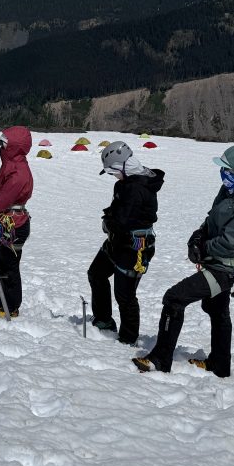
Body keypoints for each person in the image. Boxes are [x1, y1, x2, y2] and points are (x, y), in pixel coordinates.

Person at [134, 144, 234, 378]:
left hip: (225, 269)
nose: (223, 174)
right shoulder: (230, 191)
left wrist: (203, 249)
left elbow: (230, 242)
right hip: (216, 263)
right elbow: (212, 219)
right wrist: (199, 234)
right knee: (217, 311)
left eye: (227, 170)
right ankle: (219, 365)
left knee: (174, 298)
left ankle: (160, 359)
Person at [87, 141, 164, 343]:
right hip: (118, 243)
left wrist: (108, 223)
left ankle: (128, 338)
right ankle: (103, 319)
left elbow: (123, 220)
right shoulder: (127, 183)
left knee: (125, 294)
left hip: (134, 247)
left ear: (122, 166)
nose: (113, 175)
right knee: (97, 273)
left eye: (113, 171)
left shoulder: (137, 188)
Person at [0, 126, 34, 318]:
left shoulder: (18, 172)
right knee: (1, 262)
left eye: (4, 143)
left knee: (8, 264)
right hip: (6, 222)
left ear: (14, 146)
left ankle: (10, 307)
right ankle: (5, 302)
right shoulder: (10, 166)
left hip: (13, 224)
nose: (1, 147)